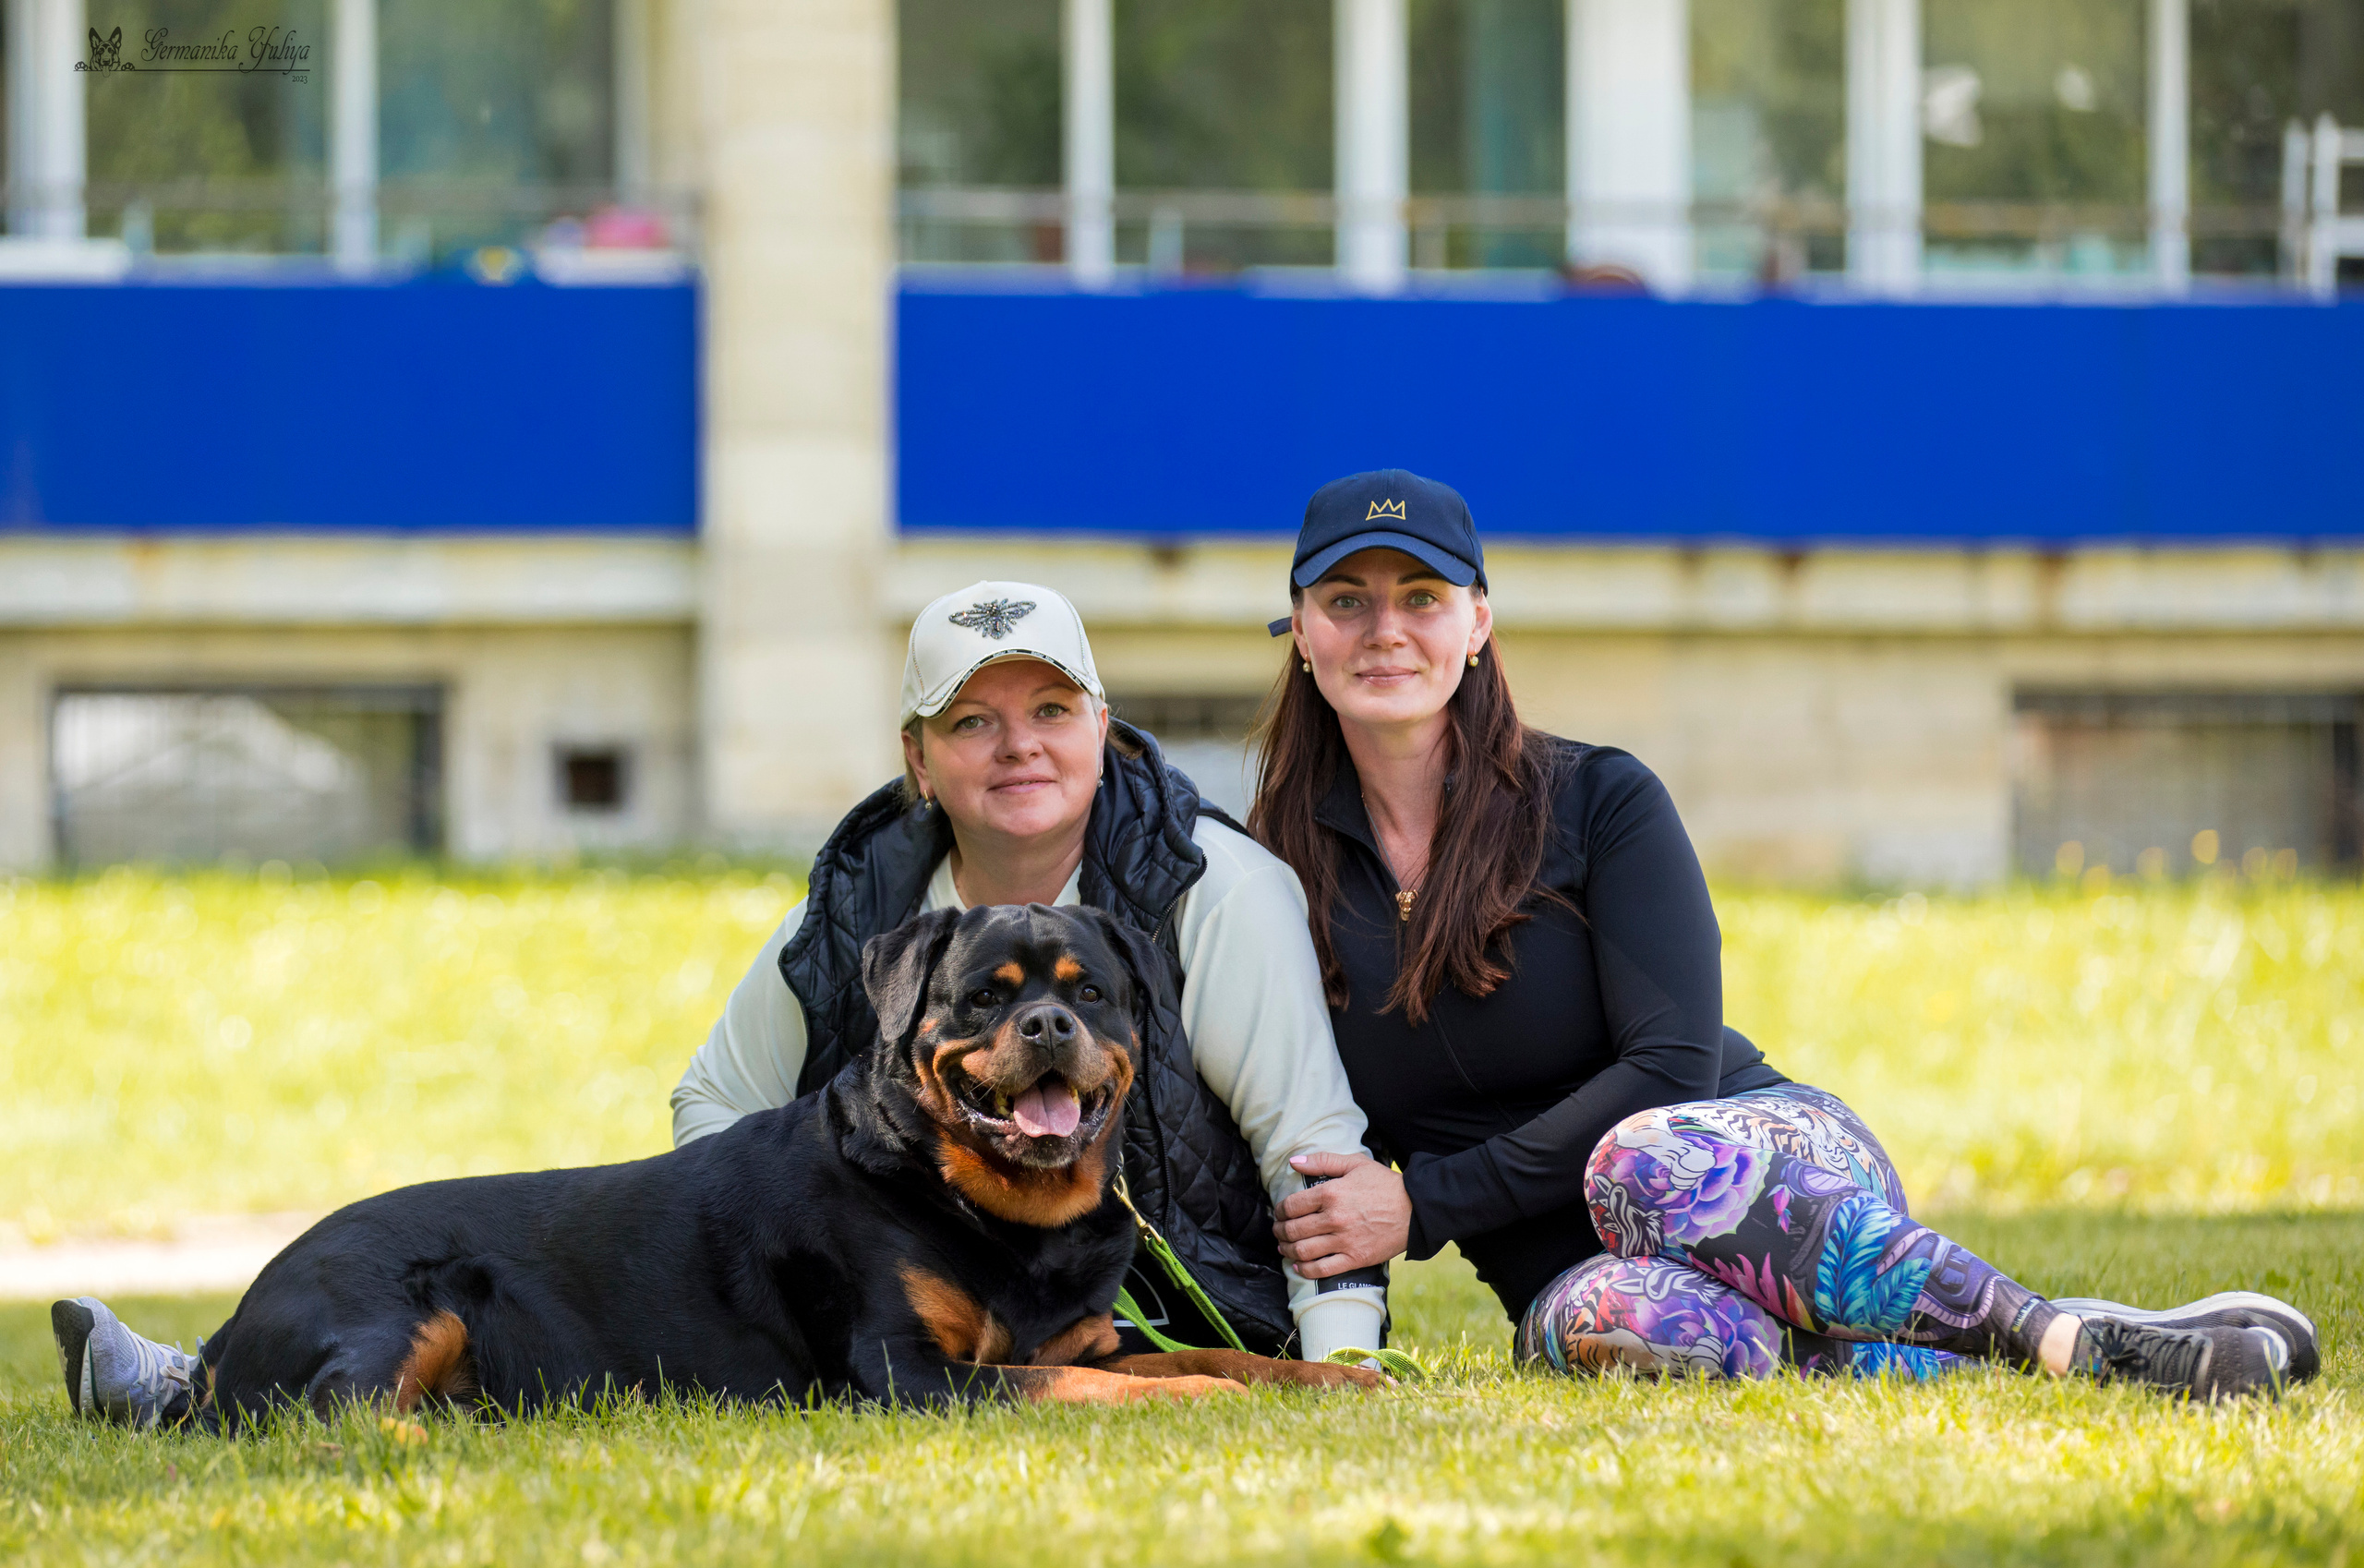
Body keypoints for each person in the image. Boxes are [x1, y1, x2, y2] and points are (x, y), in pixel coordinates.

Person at [56, 580, 1390, 1427]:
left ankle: (190, 1387)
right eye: (973, 723)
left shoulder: (1214, 889)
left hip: (1167, 1283)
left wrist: (1332, 1357)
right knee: (396, 1320)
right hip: (865, 1261)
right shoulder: (866, 907)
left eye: (1050, 709)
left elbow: (1309, 1144)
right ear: (917, 759)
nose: (1019, 745)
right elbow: (720, 1099)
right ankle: (205, 1390)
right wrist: (719, 1263)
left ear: (1104, 727)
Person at [1252, 469, 2317, 1399]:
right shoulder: (1270, 875)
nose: (1384, 628)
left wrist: (1424, 1201)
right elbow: (1295, 1127)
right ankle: (1980, 1340)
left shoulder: (1596, 799)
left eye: (1422, 597)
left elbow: (1670, 1067)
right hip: (1588, 1270)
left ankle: (2061, 1337)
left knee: (1645, 1157)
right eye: (1346, 599)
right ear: (1301, 630)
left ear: (1477, 623)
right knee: (1609, 1322)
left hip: (1752, 1154)